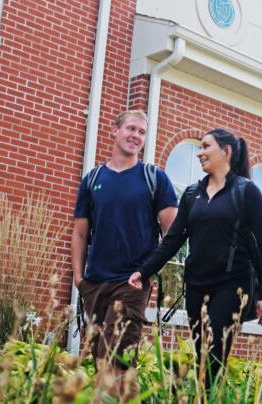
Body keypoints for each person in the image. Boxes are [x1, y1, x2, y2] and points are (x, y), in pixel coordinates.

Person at [128, 128, 262, 385]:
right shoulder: (191, 193)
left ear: (226, 151)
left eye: (206, 147)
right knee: (201, 354)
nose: (199, 153)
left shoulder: (246, 192)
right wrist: (145, 269)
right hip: (196, 285)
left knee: (213, 354)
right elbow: (173, 239)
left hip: (232, 285)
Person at [71, 110, 178, 394]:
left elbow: (174, 233)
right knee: (101, 358)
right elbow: (80, 232)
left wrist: (147, 272)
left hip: (131, 282)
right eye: (131, 128)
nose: (136, 136)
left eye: (142, 132)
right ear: (114, 131)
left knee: (114, 354)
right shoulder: (92, 179)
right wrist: (79, 277)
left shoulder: (154, 178)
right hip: (94, 282)